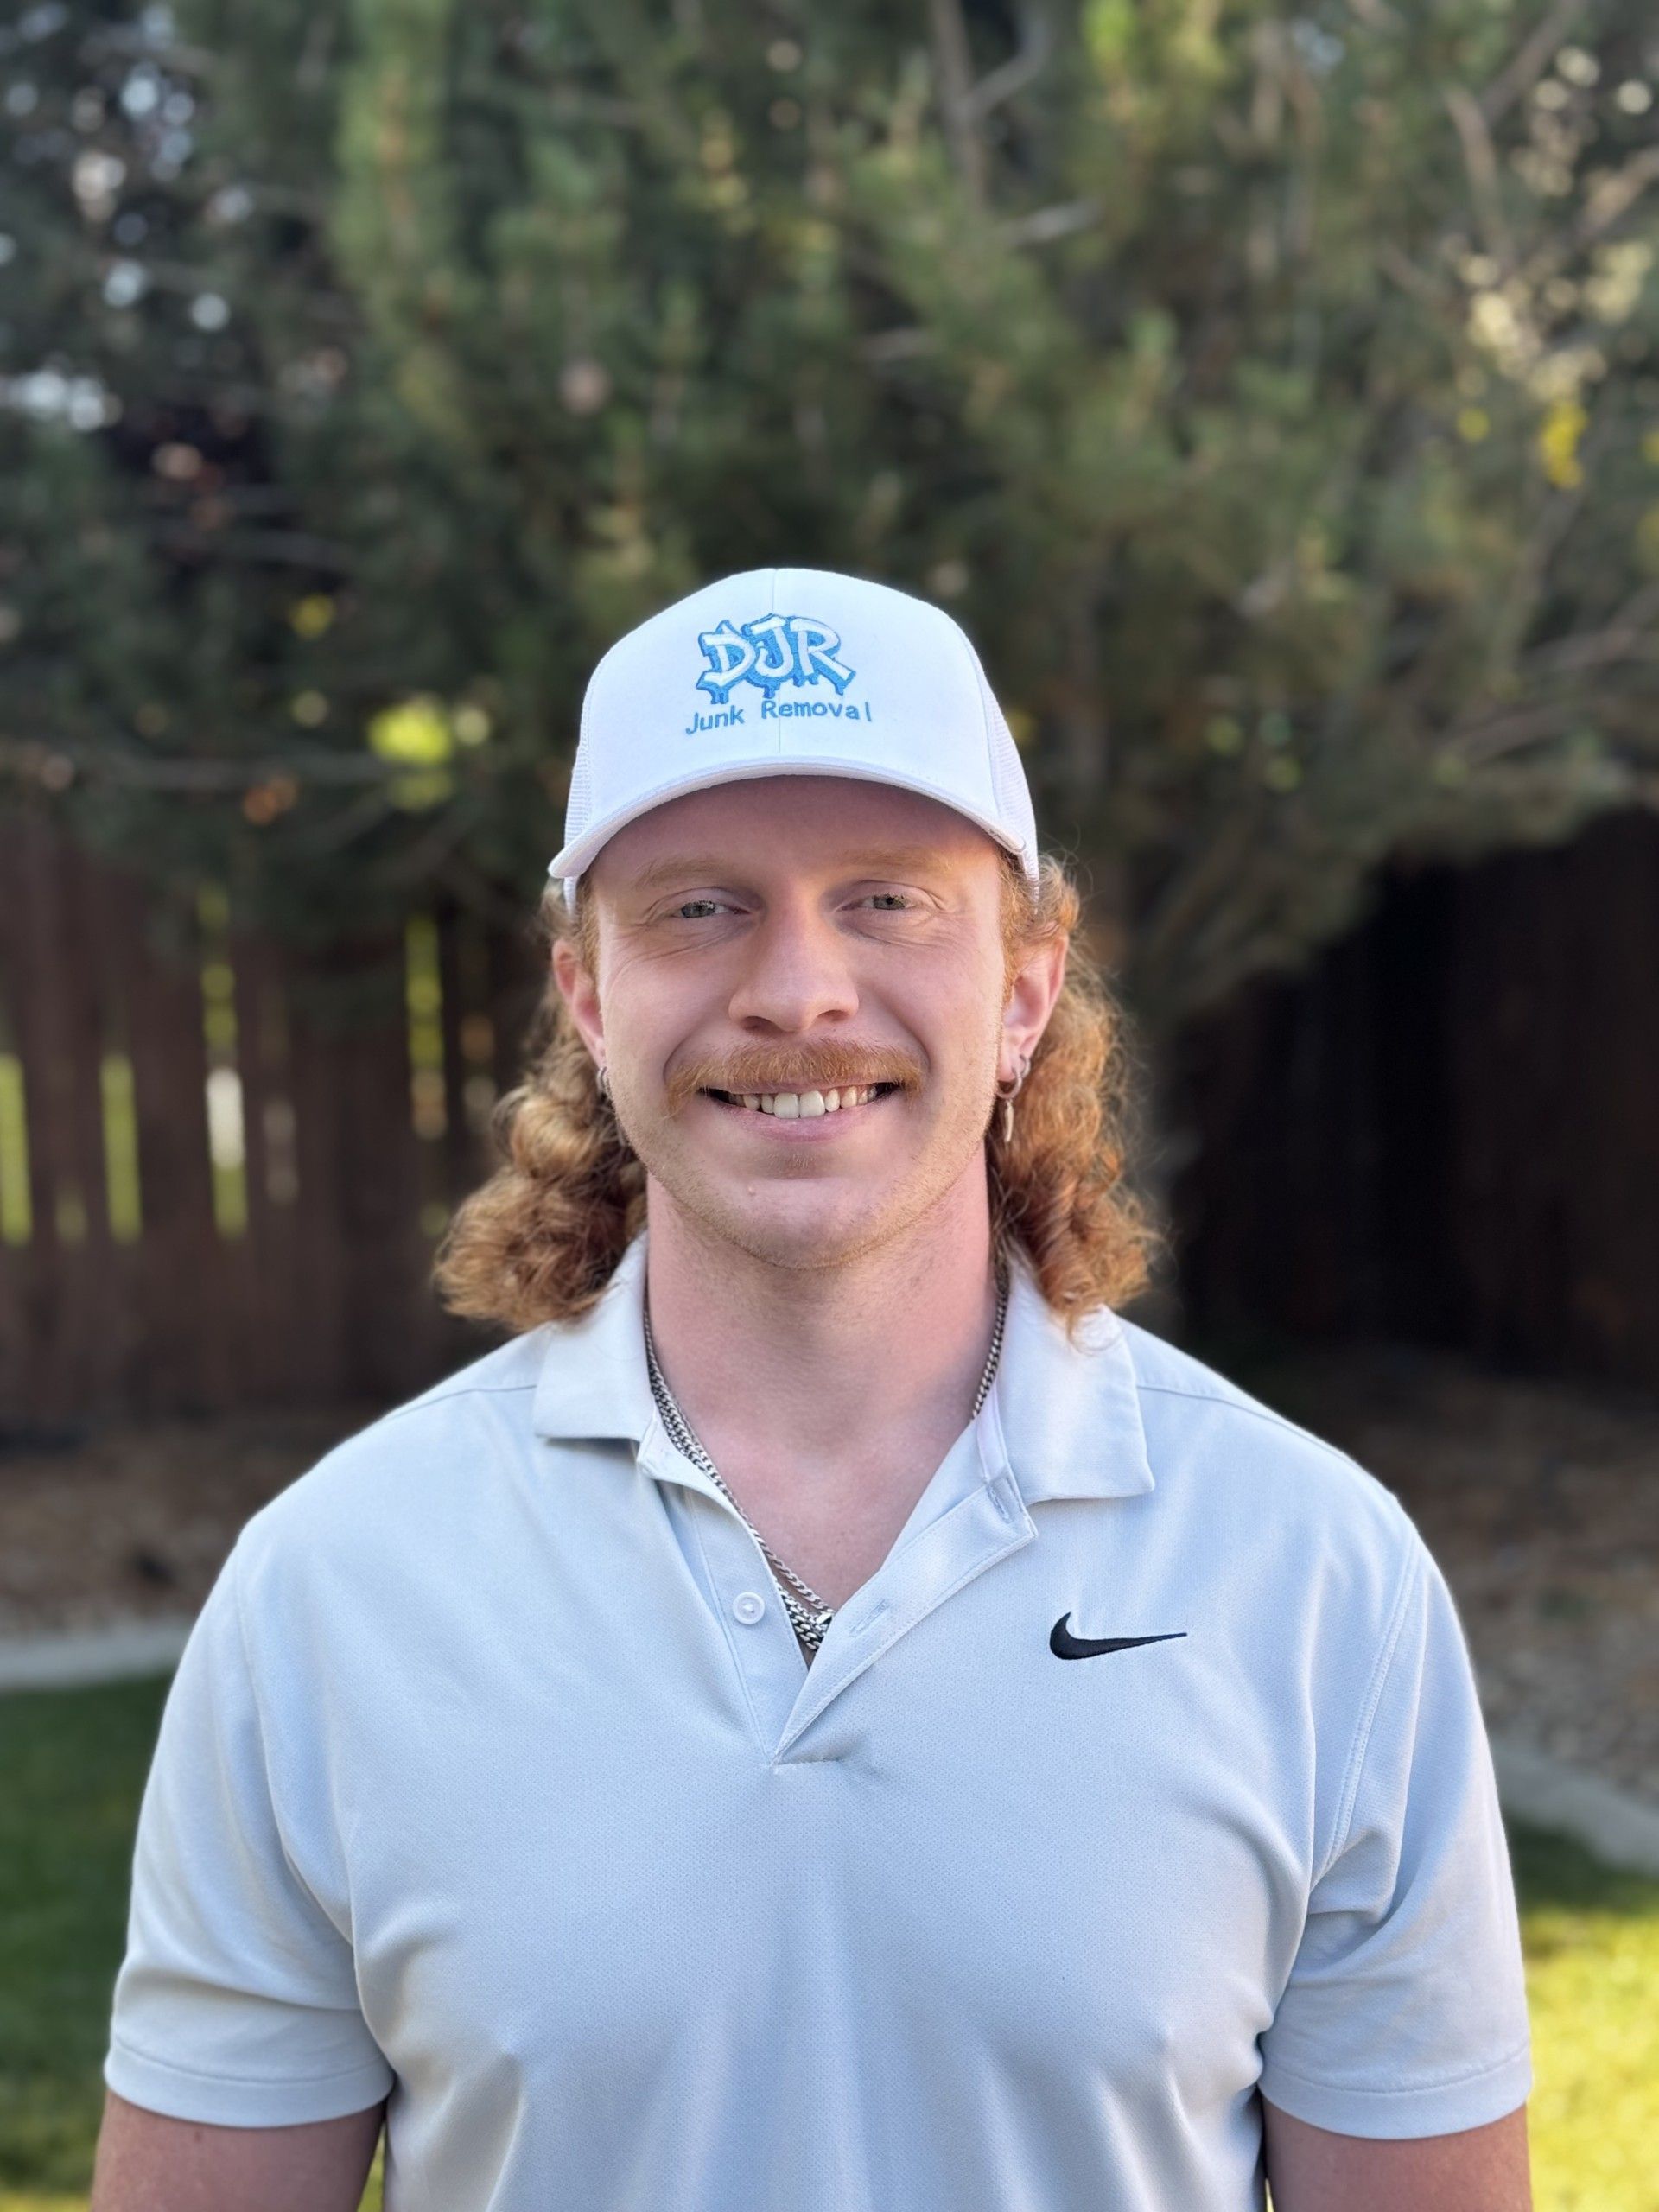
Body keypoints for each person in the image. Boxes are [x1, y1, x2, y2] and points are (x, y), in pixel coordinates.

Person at [92, 567, 1534, 2212]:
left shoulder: (1319, 1576)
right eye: (700, 907)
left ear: (1025, 988)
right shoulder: (331, 1589)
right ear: (588, 996)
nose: (798, 989)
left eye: (887, 900)